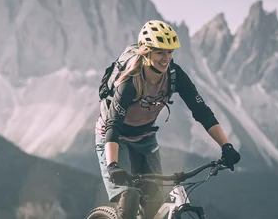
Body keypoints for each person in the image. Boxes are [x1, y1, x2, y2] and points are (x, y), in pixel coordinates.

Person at [94, 20, 241, 218]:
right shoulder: (130, 82)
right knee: (128, 198)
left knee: (154, 203)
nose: (166, 58)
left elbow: (202, 112)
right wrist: (113, 165)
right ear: (146, 52)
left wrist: (226, 146)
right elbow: (113, 126)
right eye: (160, 52)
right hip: (113, 138)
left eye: (170, 52)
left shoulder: (174, 75)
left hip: (145, 138)